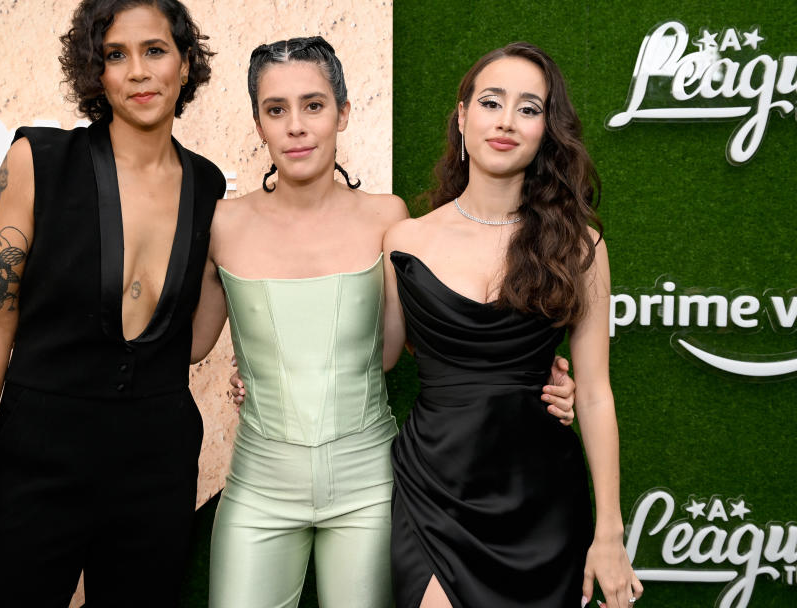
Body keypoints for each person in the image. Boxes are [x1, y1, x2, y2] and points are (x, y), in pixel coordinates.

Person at [192, 37, 577, 608]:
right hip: (258, 485)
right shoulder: (220, 223)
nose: (296, 126)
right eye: (276, 110)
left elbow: (408, 345)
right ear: (258, 123)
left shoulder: (389, 219)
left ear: (344, 113)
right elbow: (192, 344)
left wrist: (534, 376)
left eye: (314, 105)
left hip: (370, 485)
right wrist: (255, 365)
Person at [0, 0, 224, 606]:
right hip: (38, 454)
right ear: (95, 74)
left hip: (156, 459)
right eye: (115, 55)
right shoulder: (37, 159)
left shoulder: (208, 183)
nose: (138, 72)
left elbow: (196, 343)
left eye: (155, 50)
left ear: (184, 63)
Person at [383, 42, 643, 608]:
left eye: (528, 108)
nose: (505, 121)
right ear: (462, 115)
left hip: (542, 503)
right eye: (491, 102)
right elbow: (378, 356)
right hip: (430, 496)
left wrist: (610, 535)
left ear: (547, 129)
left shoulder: (580, 246)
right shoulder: (404, 239)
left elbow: (595, 393)